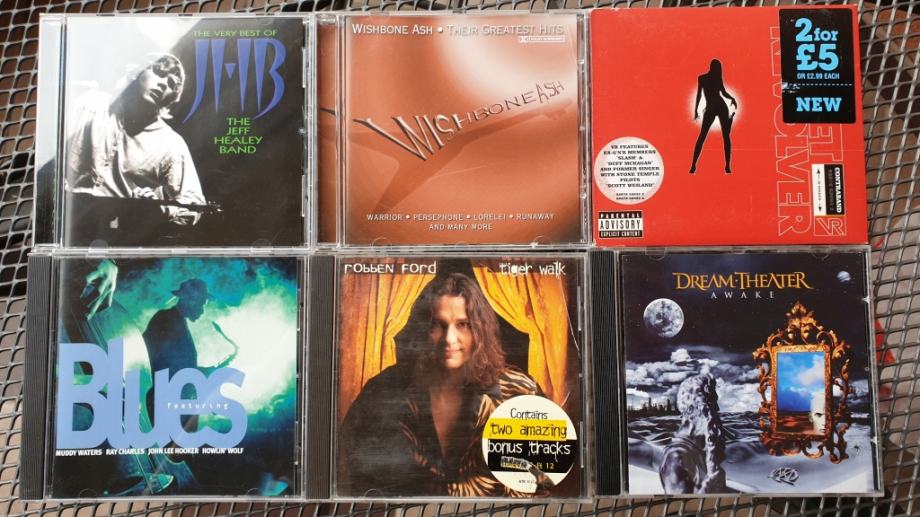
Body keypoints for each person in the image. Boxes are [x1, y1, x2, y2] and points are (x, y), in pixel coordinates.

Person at [339, 273, 543, 497]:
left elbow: (543, 482)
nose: (449, 338)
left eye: (463, 324)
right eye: (438, 325)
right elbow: (351, 471)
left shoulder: (520, 391)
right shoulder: (384, 389)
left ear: (481, 330)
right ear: (423, 329)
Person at [65, 54, 205, 244]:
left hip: (119, 238)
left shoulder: (171, 143)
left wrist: (158, 210)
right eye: (159, 73)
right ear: (138, 72)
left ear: (172, 97)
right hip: (69, 224)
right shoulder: (89, 105)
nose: (163, 84)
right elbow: (53, 158)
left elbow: (194, 202)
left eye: (172, 84)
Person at [659, 373, 728, 494]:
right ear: (691, 409)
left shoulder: (697, 451)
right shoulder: (676, 458)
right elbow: (679, 503)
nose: (717, 409)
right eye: (711, 403)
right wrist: (709, 489)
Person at [689, 59, 738, 175]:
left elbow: (722, 93)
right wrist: (696, 110)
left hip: (717, 107)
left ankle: (726, 166)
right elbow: (700, 94)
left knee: (722, 136)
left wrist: (732, 98)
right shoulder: (708, 78)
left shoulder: (704, 78)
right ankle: (694, 165)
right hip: (716, 107)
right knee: (719, 136)